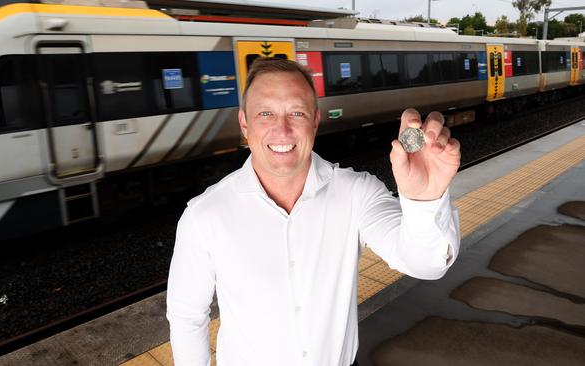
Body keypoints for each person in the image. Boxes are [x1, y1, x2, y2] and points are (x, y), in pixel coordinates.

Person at [166, 58, 461, 366]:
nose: (282, 129)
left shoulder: (357, 193)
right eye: (265, 113)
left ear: (316, 120)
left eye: (297, 112)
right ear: (244, 123)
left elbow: (426, 264)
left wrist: (423, 200)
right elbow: (187, 316)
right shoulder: (204, 215)